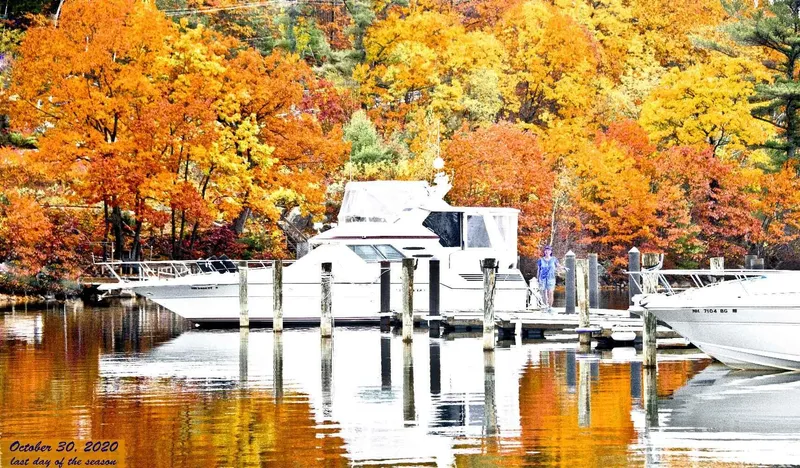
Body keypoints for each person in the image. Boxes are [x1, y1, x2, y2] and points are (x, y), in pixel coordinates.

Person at [537, 245, 564, 312]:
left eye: (548, 250)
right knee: (544, 293)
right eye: (546, 250)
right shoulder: (540, 260)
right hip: (542, 278)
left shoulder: (554, 259)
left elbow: (558, 266)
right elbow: (538, 270)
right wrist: (537, 279)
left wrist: (563, 268)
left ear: (551, 251)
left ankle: (550, 307)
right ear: (544, 251)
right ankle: (545, 306)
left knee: (550, 292)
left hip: (551, 278)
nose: (547, 251)